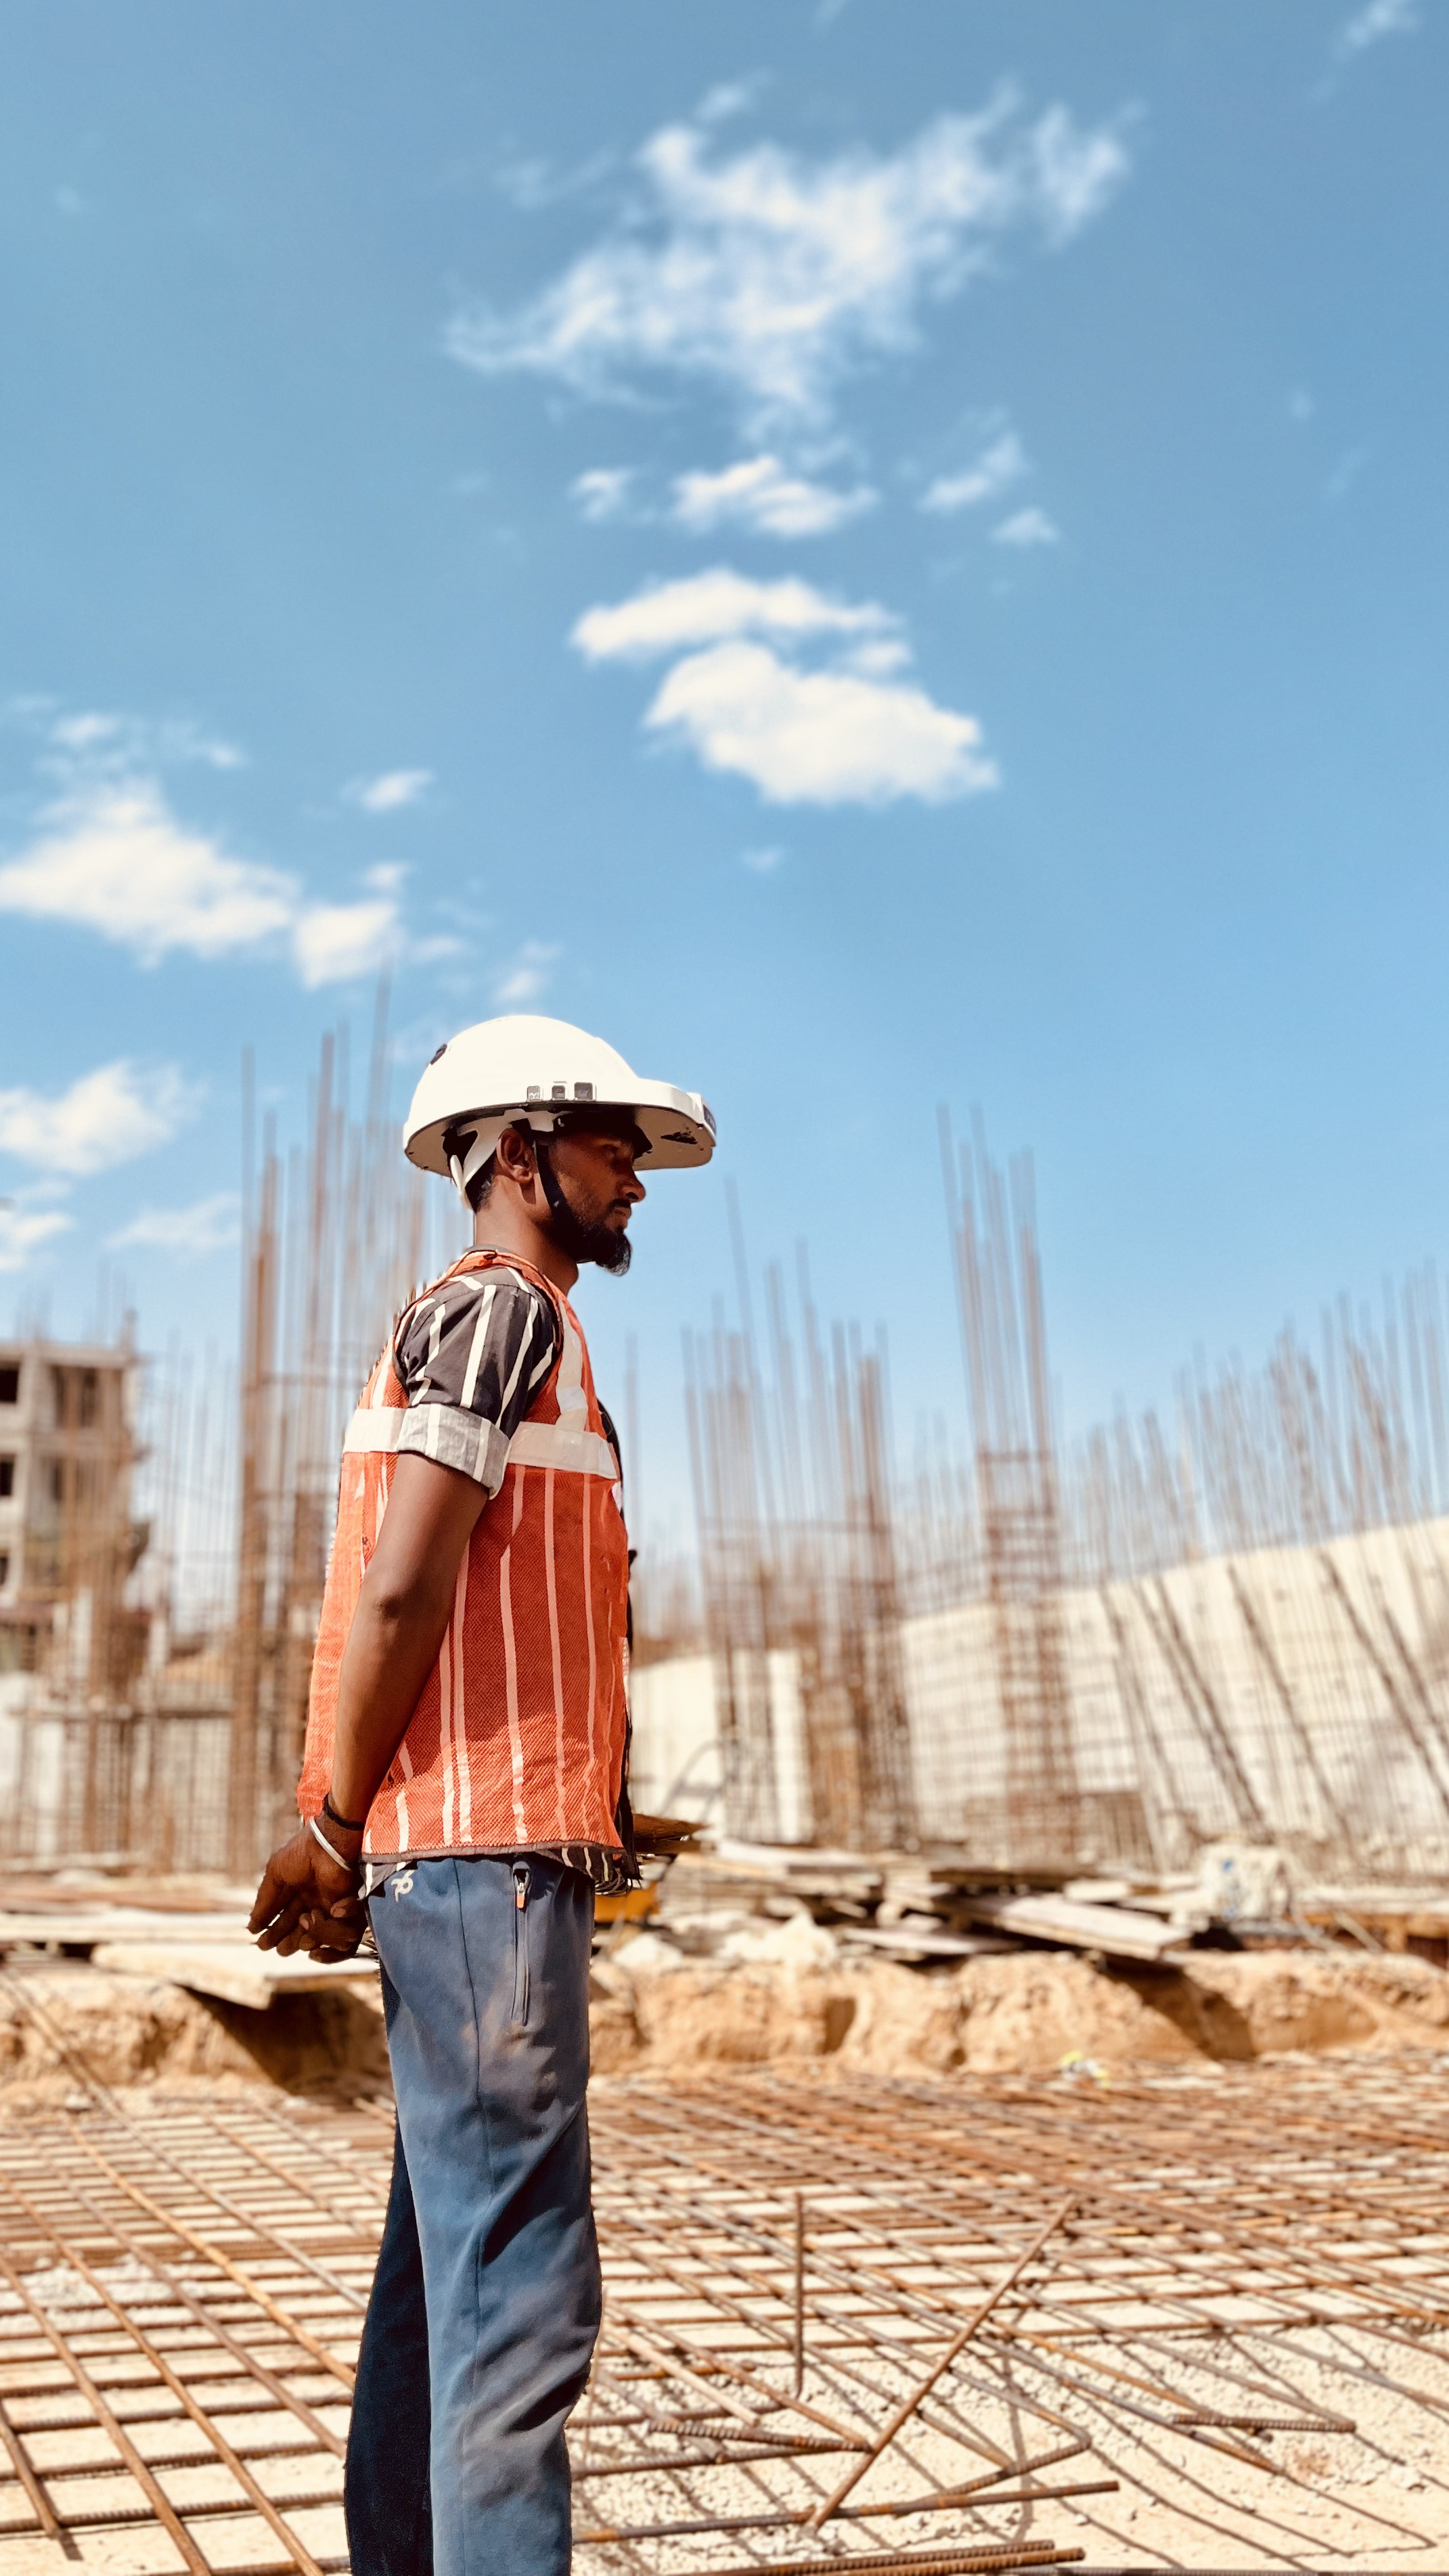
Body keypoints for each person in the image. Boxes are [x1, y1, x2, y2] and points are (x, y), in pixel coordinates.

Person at [247, 1014, 714, 2576]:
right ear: (517, 1153)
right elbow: (401, 1593)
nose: (633, 1184)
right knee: (516, 2308)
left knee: (442, 2281)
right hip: (482, 1876)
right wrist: (326, 1821)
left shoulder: (501, 1334)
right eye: (609, 1151)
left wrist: (587, 1799)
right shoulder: (499, 1314)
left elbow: (481, 1614)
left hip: (481, 1855)